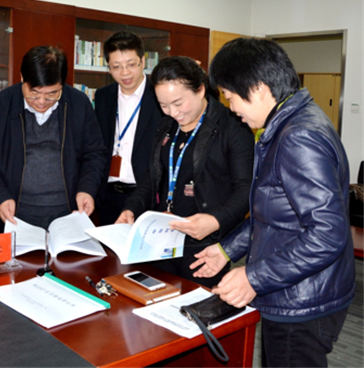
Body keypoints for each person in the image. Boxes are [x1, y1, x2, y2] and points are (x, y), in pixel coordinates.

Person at [191, 37, 355, 367]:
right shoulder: (288, 124)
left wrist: (254, 277)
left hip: (302, 300)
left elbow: (328, 234)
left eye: (231, 97)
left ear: (259, 88)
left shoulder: (298, 136)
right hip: (297, 288)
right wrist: (227, 250)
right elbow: (274, 213)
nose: (231, 108)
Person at [116, 56, 254, 287]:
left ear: (200, 90)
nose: (172, 112)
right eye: (163, 105)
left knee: (195, 305)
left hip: (204, 246)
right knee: (155, 300)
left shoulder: (233, 127)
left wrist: (215, 220)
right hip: (161, 239)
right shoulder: (167, 125)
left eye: (178, 103)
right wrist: (132, 208)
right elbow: (153, 178)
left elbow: (246, 189)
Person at [0, 45, 107, 229]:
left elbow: (94, 153)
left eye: (51, 94)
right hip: (16, 213)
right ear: (22, 78)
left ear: (62, 84)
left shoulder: (79, 104)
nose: (42, 102)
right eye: (34, 93)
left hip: (69, 212)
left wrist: (87, 189)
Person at [94, 31, 163, 225]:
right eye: (116, 66)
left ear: (143, 61)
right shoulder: (103, 96)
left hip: (147, 195)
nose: (124, 73)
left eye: (131, 65)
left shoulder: (159, 96)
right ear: (108, 67)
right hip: (109, 195)